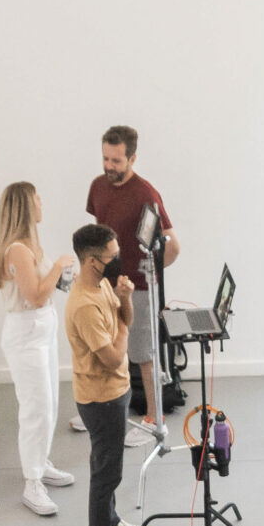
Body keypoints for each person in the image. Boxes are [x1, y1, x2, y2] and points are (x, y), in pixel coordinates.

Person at [84, 124, 178, 439]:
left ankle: (154, 418)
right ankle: (101, 411)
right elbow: (100, 233)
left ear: (132, 158)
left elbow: (172, 247)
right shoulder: (98, 186)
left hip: (138, 289)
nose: (109, 167)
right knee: (104, 349)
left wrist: (144, 274)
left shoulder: (146, 194)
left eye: (116, 161)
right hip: (104, 286)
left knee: (143, 354)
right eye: (106, 159)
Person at [0, 181, 75, 518]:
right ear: (27, 206)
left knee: (50, 401)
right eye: (38, 199)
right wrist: (58, 266)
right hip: (26, 334)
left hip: (43, 328)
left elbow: (48, 291)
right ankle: (31, 482)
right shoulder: (17, 251)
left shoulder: (31, 246)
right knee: (35, 408)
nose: (43, 203)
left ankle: (41, 463)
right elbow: (36, 295)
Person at [65, 224, 143, 526]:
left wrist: (125, 297)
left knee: (110, 467)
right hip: (100, 399)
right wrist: (124, 332)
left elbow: (125, 318)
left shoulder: (103, 286)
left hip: (117, 391)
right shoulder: (83, 304)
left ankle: (110, 522)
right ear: (93, 261)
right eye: (112, 257)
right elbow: (112, 357)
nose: (118, 261)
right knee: (105, 474)